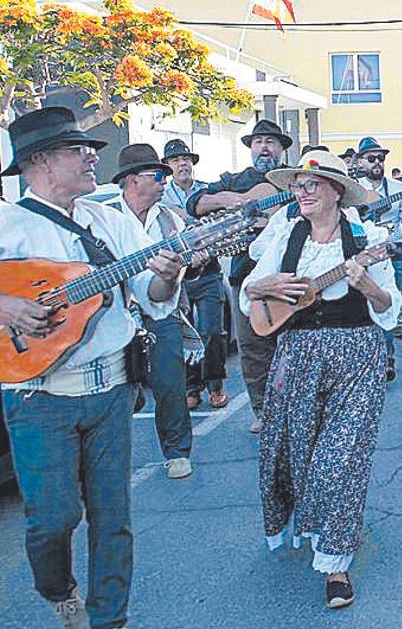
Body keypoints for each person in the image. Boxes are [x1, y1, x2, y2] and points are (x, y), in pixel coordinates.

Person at [0, 107, 185, 629]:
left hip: (109, 390)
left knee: (113, 514)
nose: (91, 157)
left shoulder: (110, 222)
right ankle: (60, 592)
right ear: (39, 162)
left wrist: (170, 273)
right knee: (52, 518)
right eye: (76, 149)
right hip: (37, 394)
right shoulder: (7, 225)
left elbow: (152, 294)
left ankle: (111, 626)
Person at [242, 151, 402, 610]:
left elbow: (390, 310)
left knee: (342, 459)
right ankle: (315, 528)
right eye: (299, 185)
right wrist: (266, 287)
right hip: (298, 355)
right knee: (298, 455)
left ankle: (335, 563)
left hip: (357, 354)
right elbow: (249, 291)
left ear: (336, 190)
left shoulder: (367, 237)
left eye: (313, 184)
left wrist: (366, 284)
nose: (303, 192)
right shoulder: (286, 236)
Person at [190, 118, 292, 433]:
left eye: (271, 141)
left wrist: (273, 221)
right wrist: (235, 201)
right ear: (250, 148)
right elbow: (195, 202)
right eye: (258, 141)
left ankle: (293, 407)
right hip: (245, 274)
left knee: (291, 344)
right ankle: (262, 410)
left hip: (290, 273)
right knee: (252, 347)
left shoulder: (293, 181)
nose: (264, 147)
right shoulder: (234, 181)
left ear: (281, 149)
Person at [110, 144, 196, 480]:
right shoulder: (106, 217)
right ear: (132, 180)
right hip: (115, 317)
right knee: (116, 393)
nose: (165, 180)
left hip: (162, 313)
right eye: (157, 175)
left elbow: (179, 272)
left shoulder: (170, 219)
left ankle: (177, 452)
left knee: (170, 384)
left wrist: (179, 268)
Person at [162, 137, 228, 411]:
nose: (183, 164)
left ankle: (215, 384)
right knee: (184, 334)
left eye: (186, 159)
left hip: (209, 270)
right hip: (179, 272)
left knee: (212, 330)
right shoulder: (162, 197)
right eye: (176, 160)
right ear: (168, 166)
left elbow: (222, 226)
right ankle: (192, 388)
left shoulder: (208, 191)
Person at [356, 135, 402, 377]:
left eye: (381, 158)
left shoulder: (399, 189)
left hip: (392, 253)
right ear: (360, 162)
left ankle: (387, 357)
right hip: (363, 255)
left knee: (388, 304)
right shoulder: (354, 191)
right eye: (371, 159)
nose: (377, 162)